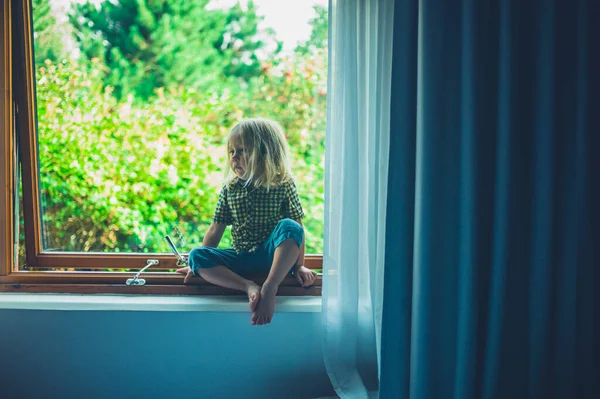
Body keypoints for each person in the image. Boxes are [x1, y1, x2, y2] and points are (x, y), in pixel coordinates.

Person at [176, 118, 318, 326]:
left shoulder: (282, 184)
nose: (235, 158)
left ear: (265, 153)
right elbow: (216, 229)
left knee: (290, 226)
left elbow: (297, 229)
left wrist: (299, 267)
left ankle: (270, 287)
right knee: (197, 255)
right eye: (231, 152)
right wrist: (194, 267)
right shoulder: (230, 188)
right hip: (241, 258)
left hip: (273, 259)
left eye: (242, 151)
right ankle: (248, 286)